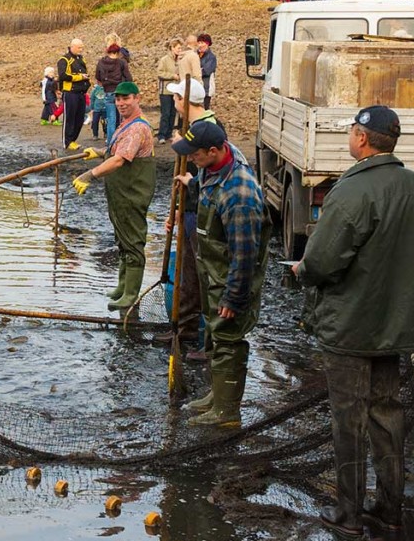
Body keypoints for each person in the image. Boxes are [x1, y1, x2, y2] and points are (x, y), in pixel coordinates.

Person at [293, 106, 414, 537]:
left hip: (351, 328)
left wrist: (302, 270)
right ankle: (390, 508)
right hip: (397, 329)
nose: (350, 137)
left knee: (348, 421)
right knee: (387, 415)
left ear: (362, 138)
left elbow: (322, 261)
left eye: (353, 131)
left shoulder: (353, 191)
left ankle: (348, 515)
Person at [172, 121, 271, 428]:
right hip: (213, 272)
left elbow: (245, 253)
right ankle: (216, 395)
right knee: (214, 332)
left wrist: (235, 295)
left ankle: (227, 412)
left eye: (195, 155)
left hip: (230, 277)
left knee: (228, 338)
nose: (191, 159)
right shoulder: (211, 168)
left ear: (214, 151)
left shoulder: (238, 193)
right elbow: (202, 192)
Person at [72, 81, 156, 313]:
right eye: (118, 99)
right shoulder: (125, 124)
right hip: (120, 194)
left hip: (132, 194)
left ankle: (130, 294)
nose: (121, 103)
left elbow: (120, 160)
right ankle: (122, 287)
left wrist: (90, 175)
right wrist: (99, 152)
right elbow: (117, 152)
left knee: (133, 242)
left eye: (126, 99)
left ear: (137, 98)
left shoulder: (138, 128)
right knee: (122, 240)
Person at [161, 78, 225, 357]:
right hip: (190, 210)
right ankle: (185, 329)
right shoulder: (194, 127)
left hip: (202, 212)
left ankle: (209, 342)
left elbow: (209, 173)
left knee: (204, 274)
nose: (174, 103)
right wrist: (177, 209)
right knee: (187, 273)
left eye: (176, 98)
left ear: (183, 101)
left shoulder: (207, 129)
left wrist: (191, 185)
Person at [95, 42, 133, 143]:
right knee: (121, 117)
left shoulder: (101, 62)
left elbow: (97, 76)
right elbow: (128, 77)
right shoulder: (121, 62)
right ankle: (121, 139)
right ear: (117, 52)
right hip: (120, 91)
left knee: (111, 118)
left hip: (108, 91)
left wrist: (104, 82)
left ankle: (110, 141)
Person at [57, 38, 90, 150]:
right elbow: (63, 76)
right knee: (69, 118)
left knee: (79, 118)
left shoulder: (81, 59)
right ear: (72, 47)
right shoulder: (64, 60)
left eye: (82, 47)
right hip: (70, 93)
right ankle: (67, 142)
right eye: (79, 47)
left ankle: (73, 140)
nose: (81, 49)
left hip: (81, 93)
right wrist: (79, 77)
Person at [156, 38, 182, 143]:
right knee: (165, 113)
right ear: (172, 48)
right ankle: (161, 135)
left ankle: (169, 134)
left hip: (176, 91)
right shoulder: (164, 60)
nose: (180, 50)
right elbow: (160, 73)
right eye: (178, 48)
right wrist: (172, 76)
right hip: (165, 91)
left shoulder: (180, 60)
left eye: (181, 48)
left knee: (173, 113)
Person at [197, 33, 217, 110]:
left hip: (206, 88)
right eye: (199, 43)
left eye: (202, 43)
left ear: (207, 44)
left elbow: (206, 71)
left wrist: (195, 72)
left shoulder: (211, 57)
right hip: (196, 87)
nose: (200, 45)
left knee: (204, 109)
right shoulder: (195, 55)